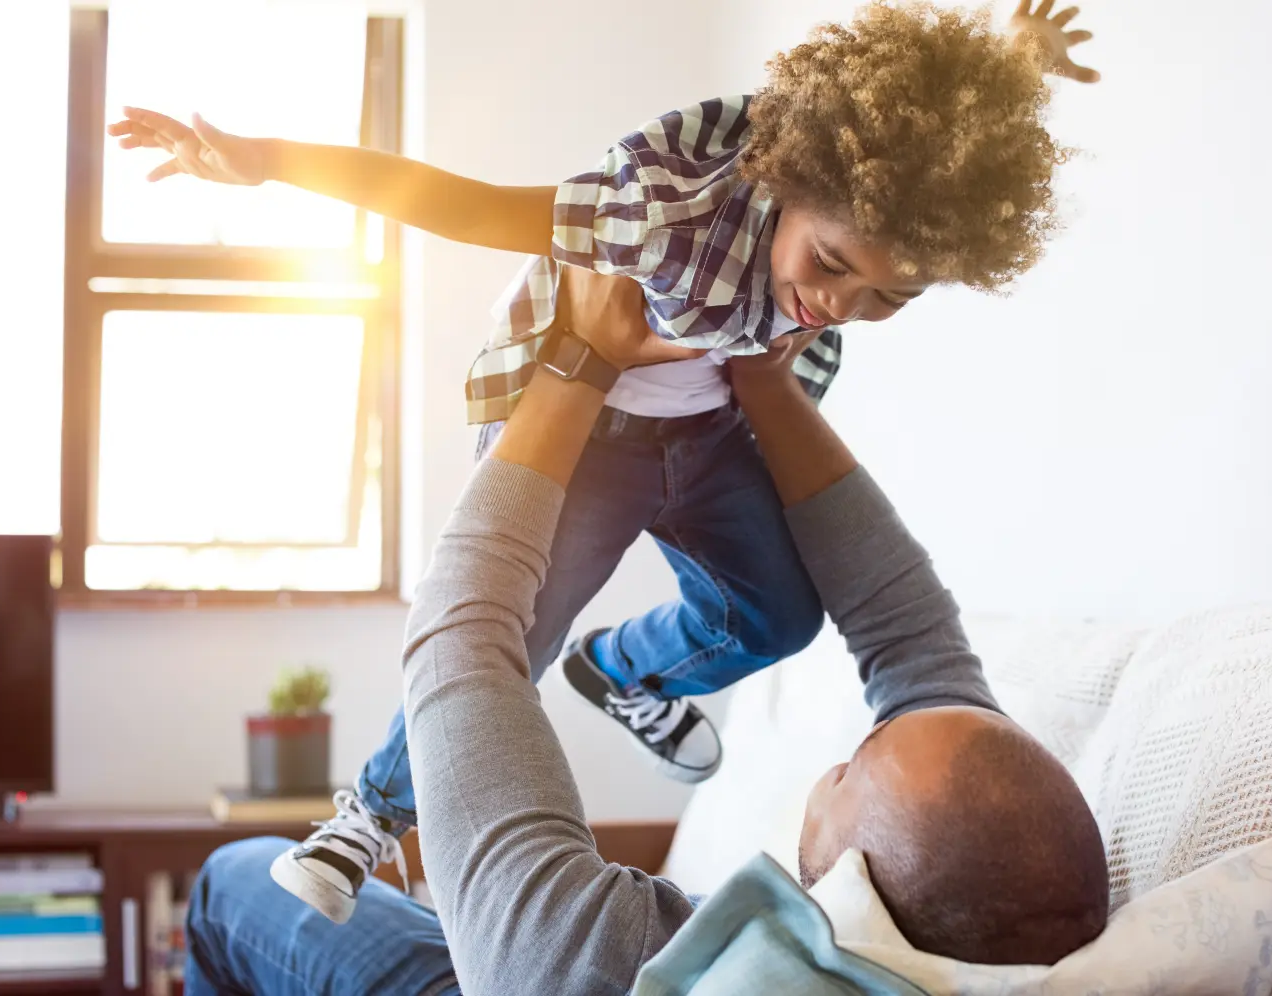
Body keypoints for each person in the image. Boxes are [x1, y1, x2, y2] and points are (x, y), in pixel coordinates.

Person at [111, 0, 1100, 924]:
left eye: (889, 297)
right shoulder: (660, 217)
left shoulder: (876, 213)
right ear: (785, 186)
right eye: (833, 266)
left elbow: (925, 130)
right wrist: (269, 160)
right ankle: (367, 817)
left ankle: (625, 673)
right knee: (512, 643)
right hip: (595, 431)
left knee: (781, 614)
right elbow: (456, 202)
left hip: (708, 432)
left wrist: (1014, 66)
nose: (843, 306)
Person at [183, 266, 1110, 996]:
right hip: (703, 416)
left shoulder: (586, 962)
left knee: (235, 880)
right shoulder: (987, 939)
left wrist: (578, 361)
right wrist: (756, 363)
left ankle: (377, 809)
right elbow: (908, 632)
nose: (848, 750)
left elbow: (465, 638)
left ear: (845, 888)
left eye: (851, 769)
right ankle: (621, 668)